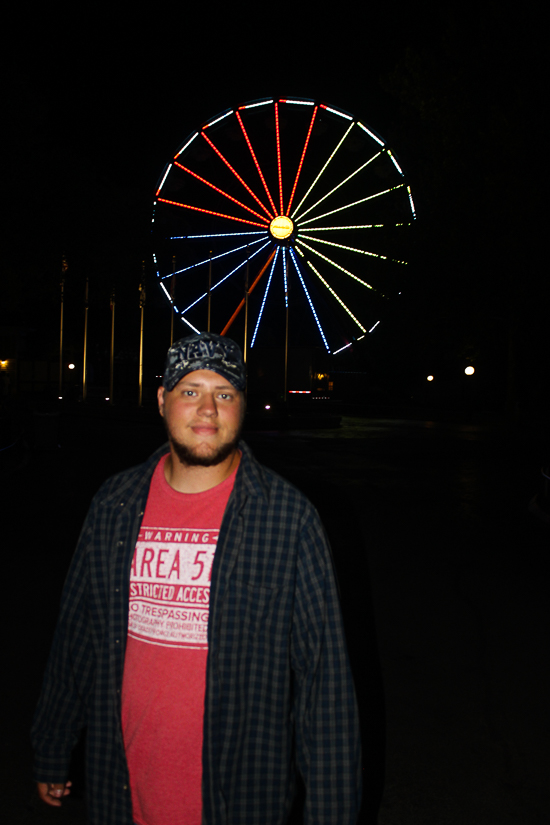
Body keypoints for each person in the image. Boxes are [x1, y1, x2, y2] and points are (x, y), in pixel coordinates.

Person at [32, 331, 362, 825]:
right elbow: (77, 635)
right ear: (163, 401)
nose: (207, 410)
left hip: (240, 801)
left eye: (224, 394)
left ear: (243, 407)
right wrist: (52, 743)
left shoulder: (289, 520)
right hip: (121, 793)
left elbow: (325, 685)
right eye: (190, 391)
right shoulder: (114, 505)